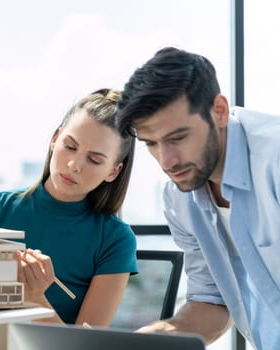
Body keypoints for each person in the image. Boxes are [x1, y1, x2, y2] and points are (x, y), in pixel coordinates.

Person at [115, 46, 280, 349]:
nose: (167, 161)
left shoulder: (274, 159)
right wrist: (152, 339)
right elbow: (212, 303)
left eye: (178, 138)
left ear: (219, 110)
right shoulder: (179, 199)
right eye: (151, 143)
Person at [0, 89, 138, 326]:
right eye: (70, 146)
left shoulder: (114, 239)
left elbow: (85, 346)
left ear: (113, 171)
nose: (74, 165)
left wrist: (35, 299)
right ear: (55, 139)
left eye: (94, 159)